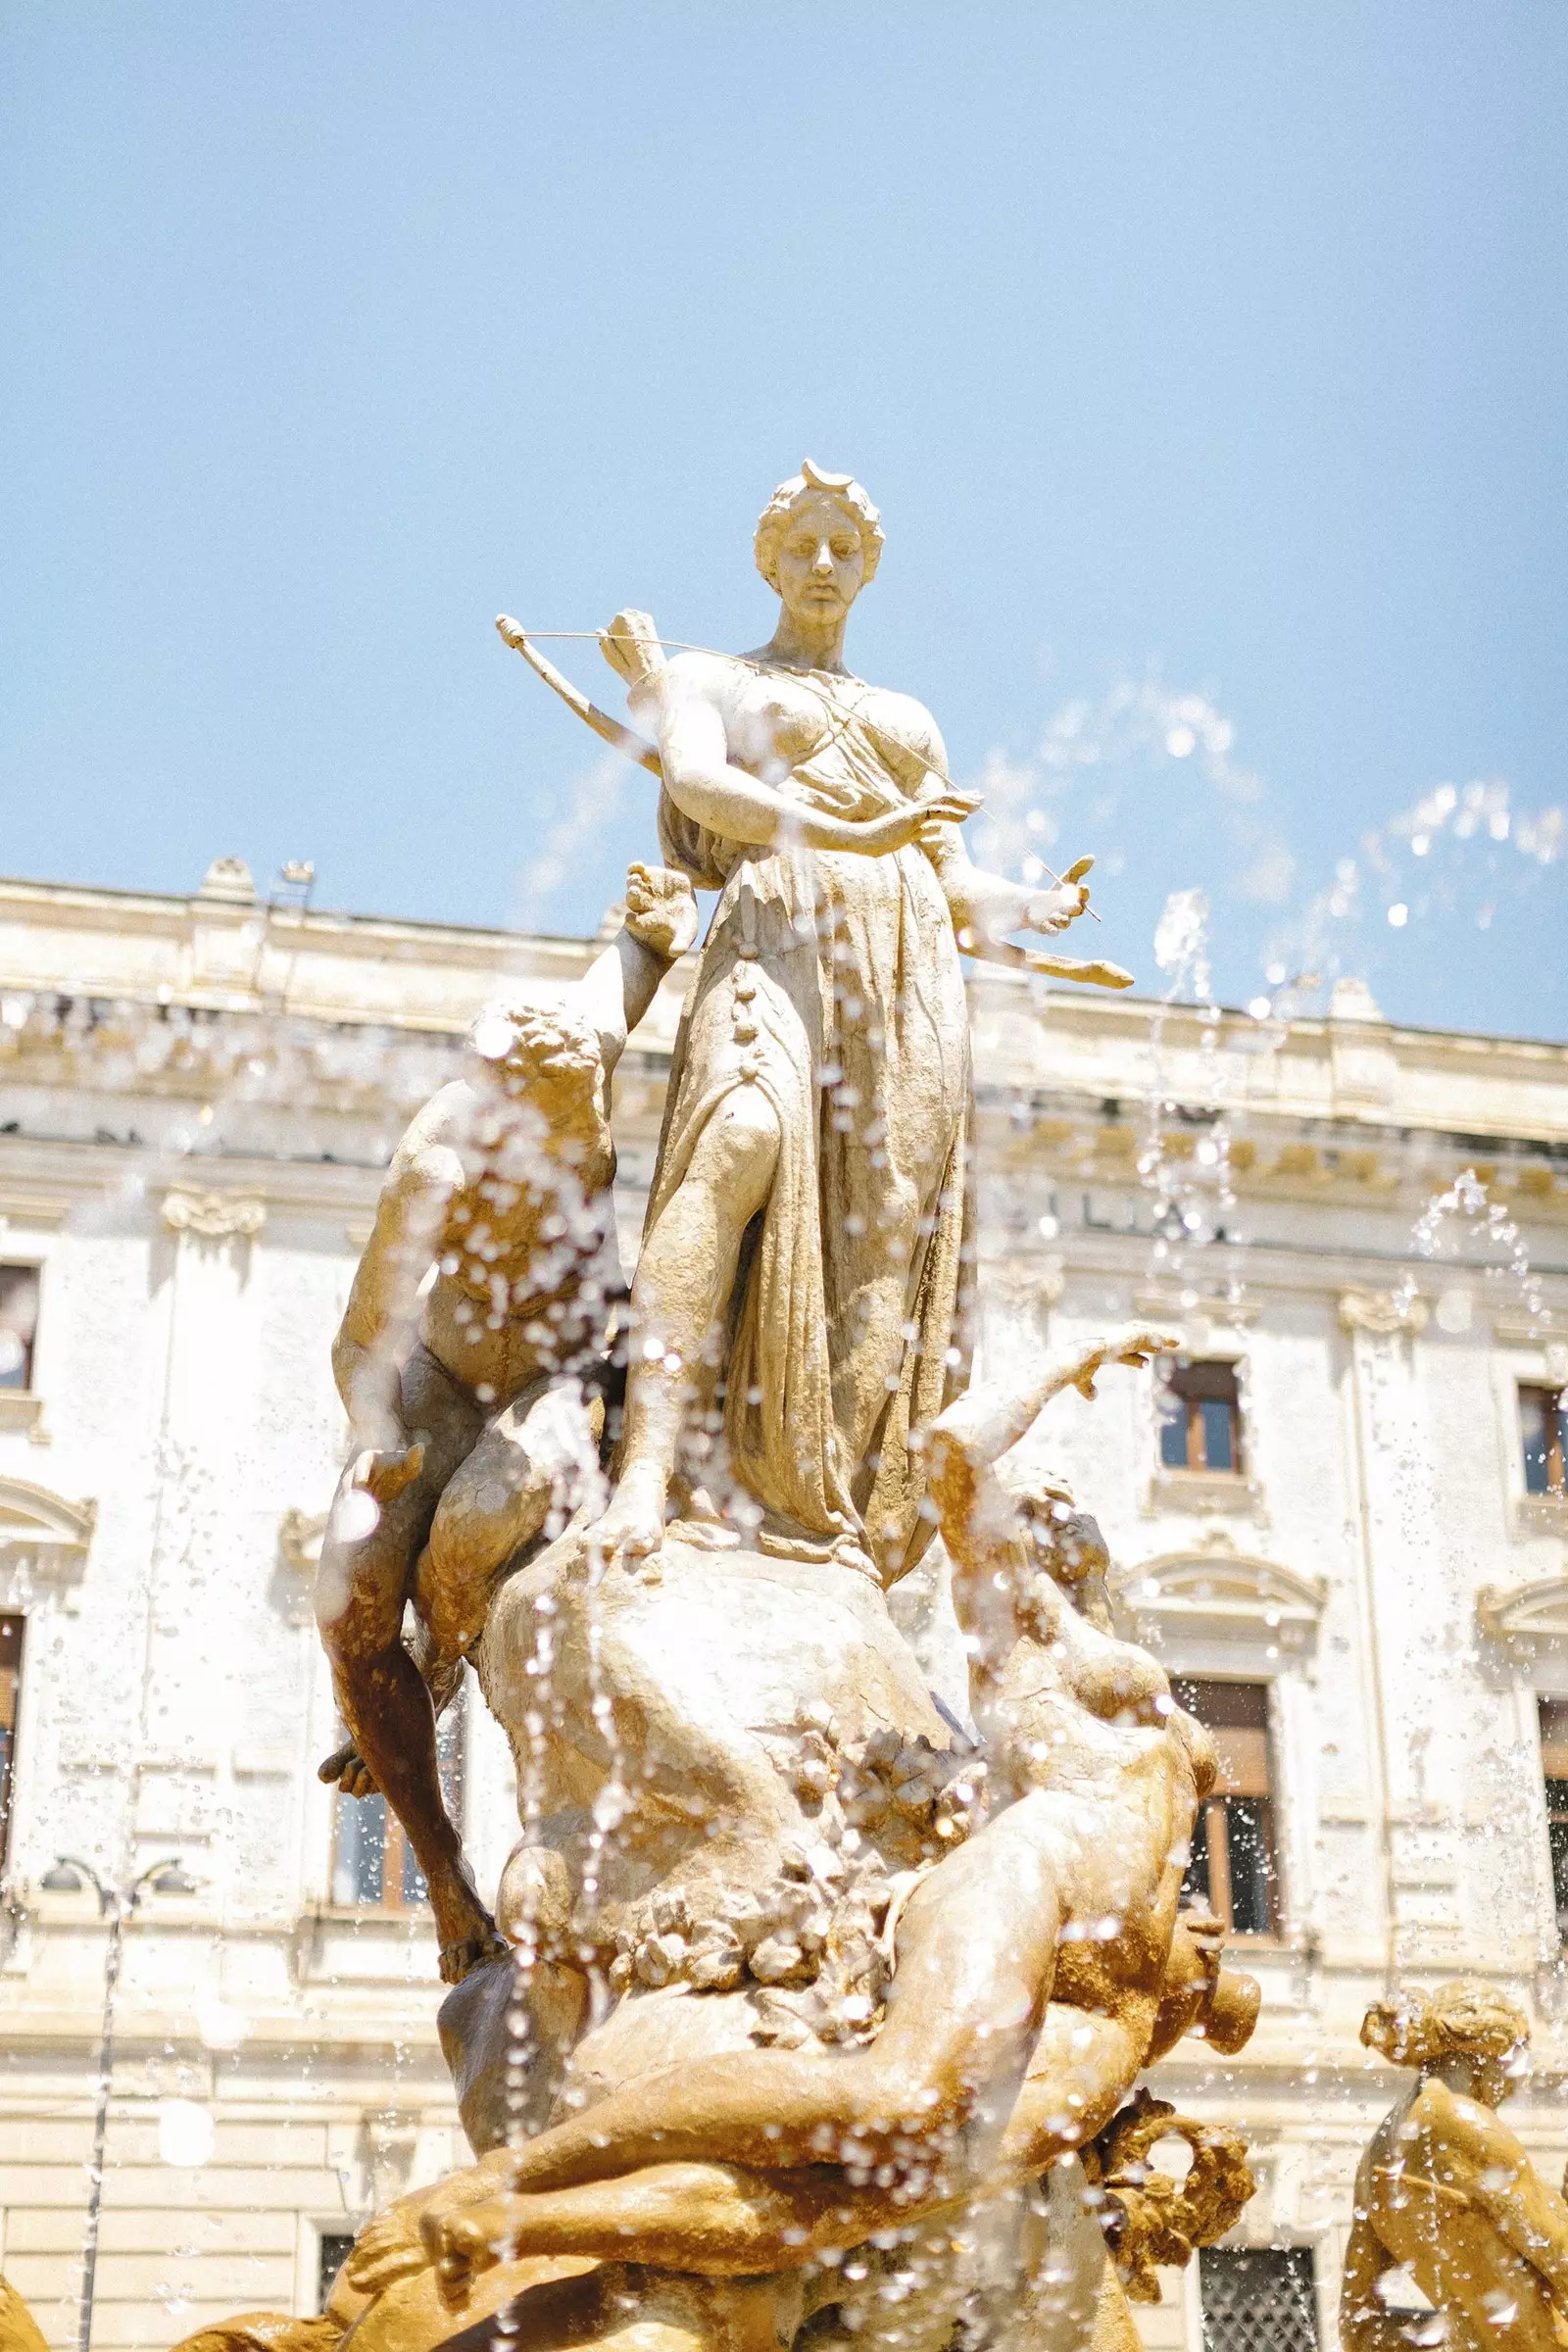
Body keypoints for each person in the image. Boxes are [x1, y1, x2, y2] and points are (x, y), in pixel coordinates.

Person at [341, 1331, 1243, 2297]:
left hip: (1095, 2007)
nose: (1070, 1527)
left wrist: (1203, 1978)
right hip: (1029, 1883)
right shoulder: (1033, 1630)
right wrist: (1067, 1359)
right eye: (1046, 1509)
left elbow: (1224, 2005)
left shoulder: (1133, 1994)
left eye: (1066, 1511)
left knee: (825, 2212)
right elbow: (952, 1452)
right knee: (895, 2102)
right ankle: (516, 2181)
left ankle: (520, 2220)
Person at [580, 463, 1091, 1581]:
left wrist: (1026, 906)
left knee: (884, 1232)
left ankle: (827, 1517)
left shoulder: (909, 720)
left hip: (904, 974)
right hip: (774, 931)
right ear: (768, 559)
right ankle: (643, 1475)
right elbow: (704, 790)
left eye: (843, 549)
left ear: (869, 567)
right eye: (802, 544)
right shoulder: (708, 676)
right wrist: (847, 836)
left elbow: (951, 881)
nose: (823, 564)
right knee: (733, 1145)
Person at [314, 863, 699, 1982]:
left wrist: (656, 928)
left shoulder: (572, 1055)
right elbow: (358, 1342)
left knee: (484, 1520)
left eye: (587, 1111)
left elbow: (626, 969)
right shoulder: (432, 1167)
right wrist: (377, 1438)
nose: (578, 1134)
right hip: (436, 1371)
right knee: (348, 1599)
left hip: (563, 1367)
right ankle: (443, 1877)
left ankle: (442, 1658)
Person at [1343, 1982, 1568, 2352]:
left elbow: (1358, 2327)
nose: (1510, 2091)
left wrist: (1455, 2336)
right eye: (1514, 2068)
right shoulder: (1461, 2121)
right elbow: (1560, 2255)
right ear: (1488, 2054)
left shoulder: (1377, 2153)